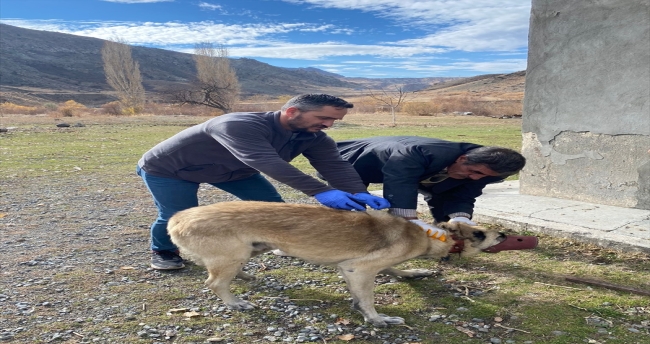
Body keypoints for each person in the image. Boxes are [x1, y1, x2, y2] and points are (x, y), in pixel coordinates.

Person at [137, 94, 390, 270]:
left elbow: (334, 165)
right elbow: (266, 161)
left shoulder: (315, 137)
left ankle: (272, 241)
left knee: (273, 207)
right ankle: (163, 251)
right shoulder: (238, 125)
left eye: (335, 121)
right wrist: (320, 191)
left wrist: (358, 191)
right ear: (292, 112)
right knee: (175, 213)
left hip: (235, 172)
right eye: (323, 118)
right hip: (171, 169)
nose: (328, 125)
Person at [333, 136, 526, 240]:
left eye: (482, 176)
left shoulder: (487, 168)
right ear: (462, 159)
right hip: (349, 161)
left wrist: (459, 219)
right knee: (352, 204)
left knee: (446, 191)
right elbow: (401, 182)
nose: (476, 177)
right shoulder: (417, 154)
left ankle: (440, 244)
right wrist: (410, 219)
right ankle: (342, 242)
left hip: (408, 168)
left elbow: (463, 191)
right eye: (473, 171)